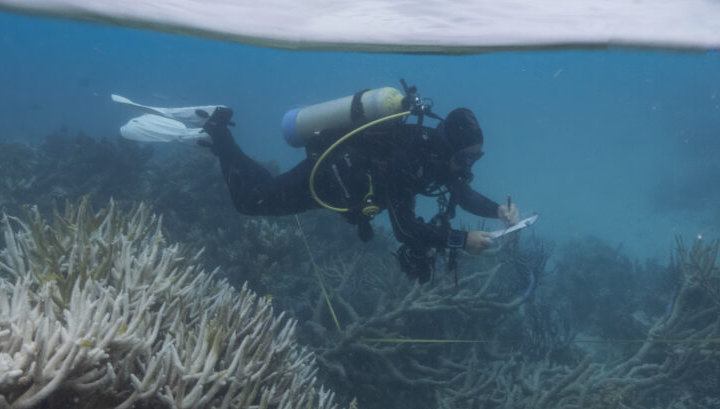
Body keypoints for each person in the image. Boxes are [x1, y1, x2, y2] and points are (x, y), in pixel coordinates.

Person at [201, 104, 519, 283]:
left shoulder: (438, 160)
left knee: (264, 192)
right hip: (328, 178)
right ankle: (217, 130)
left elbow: (462, 194)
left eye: (475, 159)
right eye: (466, 157)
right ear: (451, 146)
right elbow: (406, 230)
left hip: (345, 187)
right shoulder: (409, 159)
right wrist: (461, 241)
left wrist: (497, 212)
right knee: (249, 202)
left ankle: (223, 141)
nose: (468, 167)